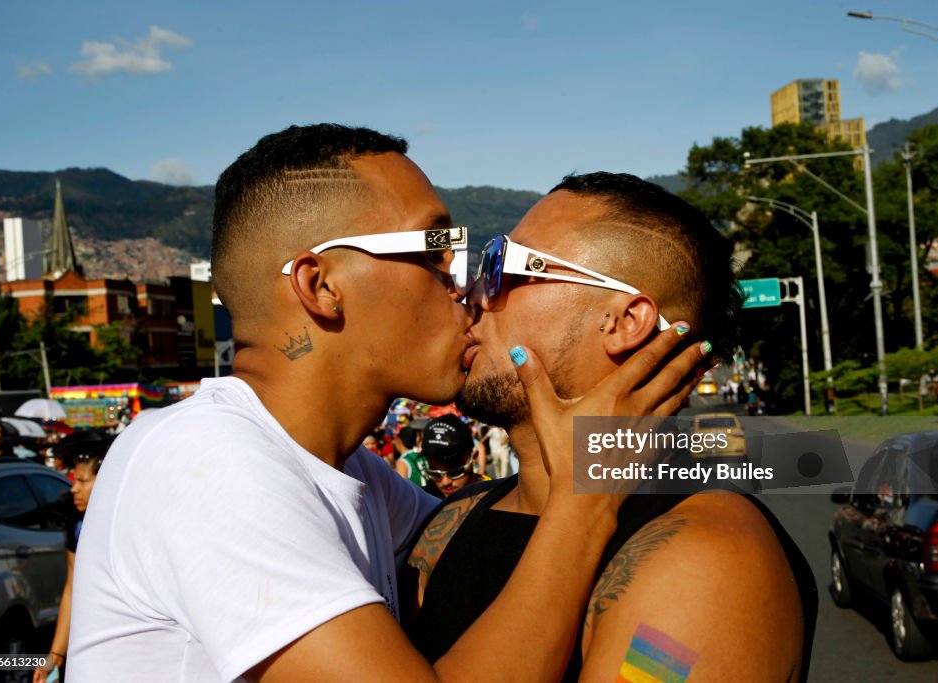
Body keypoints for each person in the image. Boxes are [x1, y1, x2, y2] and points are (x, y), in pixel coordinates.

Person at [68, 125, 710, 682]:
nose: (466, 284)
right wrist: (584, 497)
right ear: (321, 287)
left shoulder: (347, 473)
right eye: (435, 250)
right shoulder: (205, 463)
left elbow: (481, 540)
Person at [408, 173, 817, 681]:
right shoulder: (450, 523)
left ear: (624, 321)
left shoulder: (710, 560)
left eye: (503, 266)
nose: (473, 293)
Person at [34, 434, 113, 683]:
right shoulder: (77, 523)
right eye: (73, 480)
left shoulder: (129, 522)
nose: (73, 488)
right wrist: (55, 655)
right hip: (91, 640)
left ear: (105, 482)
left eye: (82, 480)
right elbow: (72, 587)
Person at [419, 415, 488, 499]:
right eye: (435, 473)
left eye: (455, 471)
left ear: (472, 456)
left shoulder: (492, 495)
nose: (445, 482)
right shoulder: (424, 499)